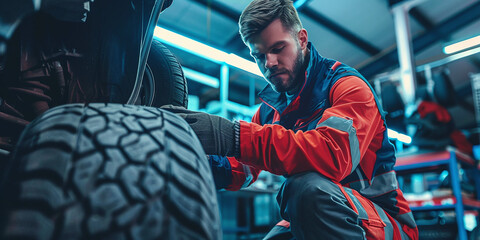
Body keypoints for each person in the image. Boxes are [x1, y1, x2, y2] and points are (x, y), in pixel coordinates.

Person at [164, 0, 418, 239]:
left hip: (385, 224)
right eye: (258, 55)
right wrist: (190, 160)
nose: (269, 63)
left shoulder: (346, 86)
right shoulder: (269, 111)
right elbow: (240, 168)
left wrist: (232, 135)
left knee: (305, 189)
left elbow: (332, 155)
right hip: (324, 208)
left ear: (302, 39)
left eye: (277, 49)